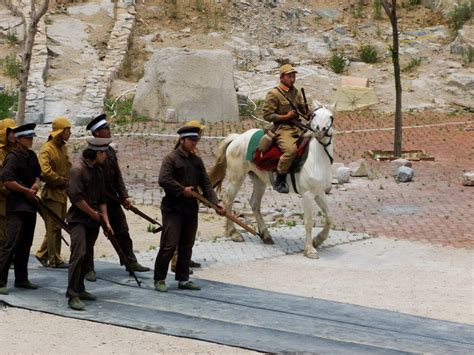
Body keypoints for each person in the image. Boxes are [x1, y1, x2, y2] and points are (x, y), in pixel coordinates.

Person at [154, 124, 225, 292]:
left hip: (191, 209)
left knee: (187, 245)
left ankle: (183, 279)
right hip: (173, 209)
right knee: (169, 245)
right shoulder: (170, 159)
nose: (194, 143)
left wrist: (216, 203)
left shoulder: (196, 161)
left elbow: (206, 185)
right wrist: (182, 190)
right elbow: (163, 180)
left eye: (196, 140)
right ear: (182, 140)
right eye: (192, 140)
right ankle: (159, 278)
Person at [84, 114, 149, 282]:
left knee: (122, 230)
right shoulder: (90, 152)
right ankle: (87, 268)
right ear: (97, 133)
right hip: (93, 201)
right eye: (105, 129)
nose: (109, 130)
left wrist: (124, 196)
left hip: (112, 200)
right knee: (89, 236)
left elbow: (117, 175)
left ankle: (130, 262)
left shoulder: (110, 151)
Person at [66, 137, 113, 310]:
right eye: (104, 153)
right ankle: (72, 295)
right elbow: (76, 199)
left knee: (87, 256)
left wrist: (106, 222)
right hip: (79, 219)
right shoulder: (77, 170)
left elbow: (102, 199)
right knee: (78, 254)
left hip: (94, 220)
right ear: (97, 153)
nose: (106, 156)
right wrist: (93, 214)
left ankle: (81, 288)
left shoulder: (98, 171)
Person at [0, 123, 41, 295]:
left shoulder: (31, 155)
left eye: (32, 138)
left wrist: (36, 185)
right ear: (19, 139)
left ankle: (21, 278)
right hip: (16, 206)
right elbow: (7, 181)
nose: (31, 141)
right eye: (28, 138)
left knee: (26, 244)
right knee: (10, 244)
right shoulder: (12, 157)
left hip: (30, 206)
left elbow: (38, 175)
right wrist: (26, 191)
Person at [262, 64, 311, 194]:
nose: (292, 79)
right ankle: (280, 179)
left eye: (294, 76)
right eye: (289, 76)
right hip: (282, 128)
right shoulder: (274, 93)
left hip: (297, 126)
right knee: (291, 150)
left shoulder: (295, 92)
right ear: (282, 77)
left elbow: (301, 108)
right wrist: (285, 116)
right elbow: (267, 115)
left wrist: (307, 112)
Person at [35, 117, 72, 268]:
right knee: (54, 227)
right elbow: (44, 171)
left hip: (62, 193)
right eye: (67, 129)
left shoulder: (63, 147)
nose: (70, 132)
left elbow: (68, 166)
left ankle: (42, 253)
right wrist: (59, 180)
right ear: (61, 131)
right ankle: (54, 259)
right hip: (52, 193)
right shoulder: (47, 149)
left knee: (56, 225)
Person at [0, 118, 17, 249]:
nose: (13, 135)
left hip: (12, 196)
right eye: (10, 132)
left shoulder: (15, 151)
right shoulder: (1, 152)